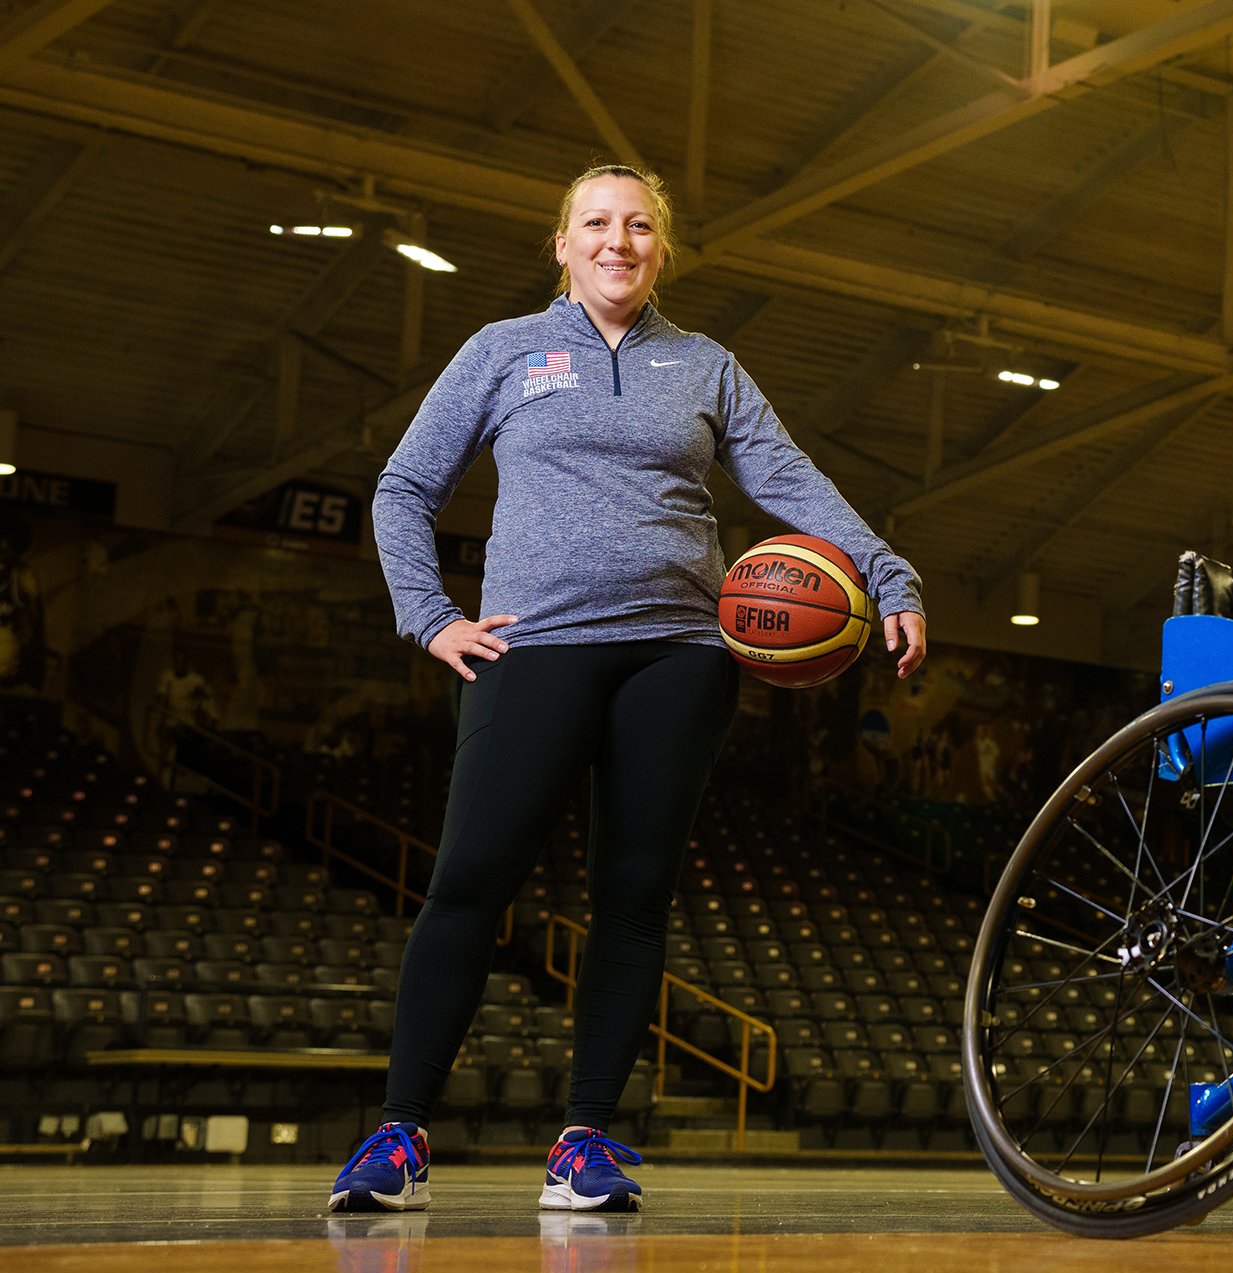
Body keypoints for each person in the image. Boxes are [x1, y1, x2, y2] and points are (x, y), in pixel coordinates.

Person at [330, 163, 926, 1214]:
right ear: (561, 244)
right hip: (532, 648)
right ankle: (399, 1137)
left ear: (662, 248)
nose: (619, 240)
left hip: (680, 657)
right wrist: (430, 617)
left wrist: (885, 572)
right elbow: (404, 485)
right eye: (597, 224)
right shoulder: (503, 350)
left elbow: (787, 481)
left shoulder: (704, 366)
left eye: (639, 225)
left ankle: (583, 1145)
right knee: (469, 880)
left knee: (633, 902)